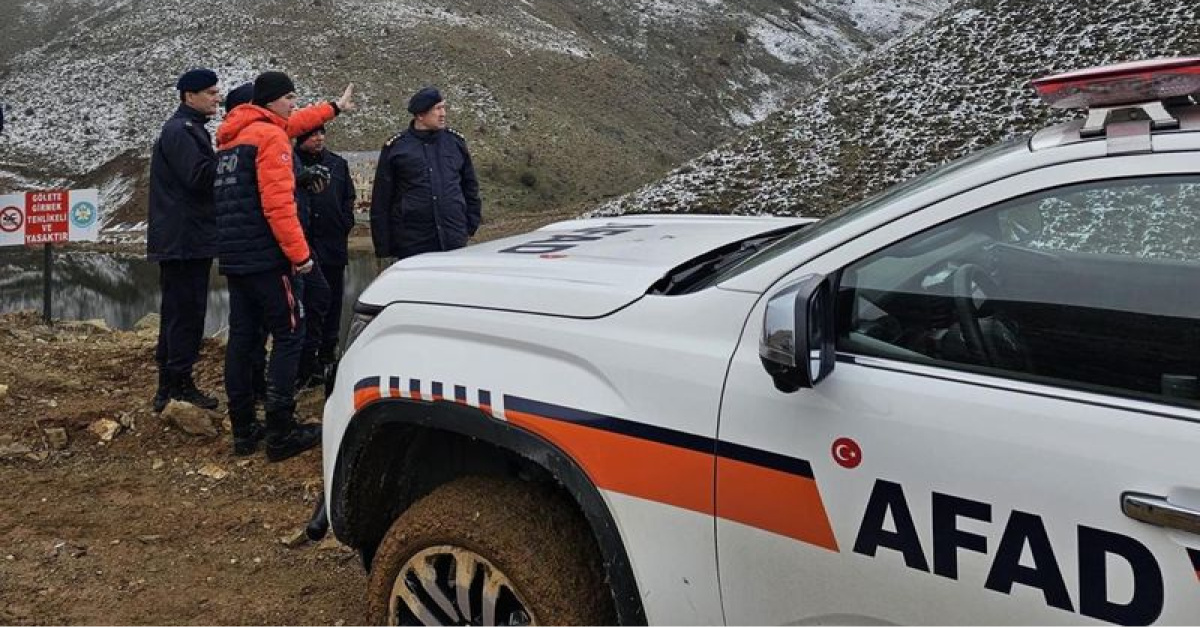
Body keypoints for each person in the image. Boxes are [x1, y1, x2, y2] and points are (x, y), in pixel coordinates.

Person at [213, 71, 355, 460]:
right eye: (290, 97)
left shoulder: (233, 138)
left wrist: (335, 108)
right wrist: (301, 256)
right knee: (290, 334)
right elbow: (278, 206)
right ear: (272, 100)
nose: (294, 104)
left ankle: (244, 429)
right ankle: (280, 431)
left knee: (242, 338)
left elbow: (295, 123)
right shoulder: (271, 139)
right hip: (269, 257)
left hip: (236, 256)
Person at [146, 68, 223, 412]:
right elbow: (199, 177)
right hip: (183, 240)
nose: (217, 98)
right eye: (210, 93)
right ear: (189, 96)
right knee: (184, 314)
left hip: (187, 237)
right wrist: (231, 156)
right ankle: (176, 386)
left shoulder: (190, 129)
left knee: (181, 312)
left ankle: (171, 384)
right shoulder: (181, 131)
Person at [370, 87, 481, 265]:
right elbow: (382, 199)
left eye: (443, 107)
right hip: (413, 241)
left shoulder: (455, 142)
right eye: (437, 109)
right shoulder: (397, 148)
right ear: (420, 115)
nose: (443, 114)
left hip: (453, 238)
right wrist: (384, 246)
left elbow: (470, 187)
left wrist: (470, 224)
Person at [294, 125, 355, 387]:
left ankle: (329, 355)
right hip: (303, 248)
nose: (319, 138)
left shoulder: (337, 164)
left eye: (322, 133)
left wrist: (344, 222)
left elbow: (348, 198)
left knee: (333, 302)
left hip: (332, 246)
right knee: (307, 306)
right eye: (312, 135)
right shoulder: (291, 164)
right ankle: (306, 364)